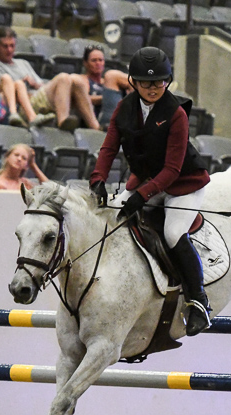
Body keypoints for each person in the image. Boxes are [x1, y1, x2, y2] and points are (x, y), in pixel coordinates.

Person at [88, 47, 212, 337]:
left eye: (159, 82)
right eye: (146, 82)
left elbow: (171, 169)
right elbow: (109, 147)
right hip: (147, 180)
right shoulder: (124, 108)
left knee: (172, 233)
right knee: (112, 218)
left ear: (167, 81)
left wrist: (141, 195)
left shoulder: (177, 113)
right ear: (133, 81)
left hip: (183, 183)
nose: (153, 88)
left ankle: (198, 301)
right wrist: (98, 179)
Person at [0, 27, 98, 131]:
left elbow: (42, 85)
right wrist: (21, 85)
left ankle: (96, 127)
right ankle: (62, 120)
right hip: (24, 105)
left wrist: (34, 84)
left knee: (75, 79)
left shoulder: (23, 63)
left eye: (12, 46)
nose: (9, 50)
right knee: (63, 78)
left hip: (38, 96)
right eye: (5, 46)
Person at [71, 44, 131, 127]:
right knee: (112, 75)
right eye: (94, 60)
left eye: (100, 60)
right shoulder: (81, 80)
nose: (98, 63)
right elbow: (81, 99)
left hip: (118, 116)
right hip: (98, 121)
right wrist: (107, 98)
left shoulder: (110, 83)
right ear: (85, 63)